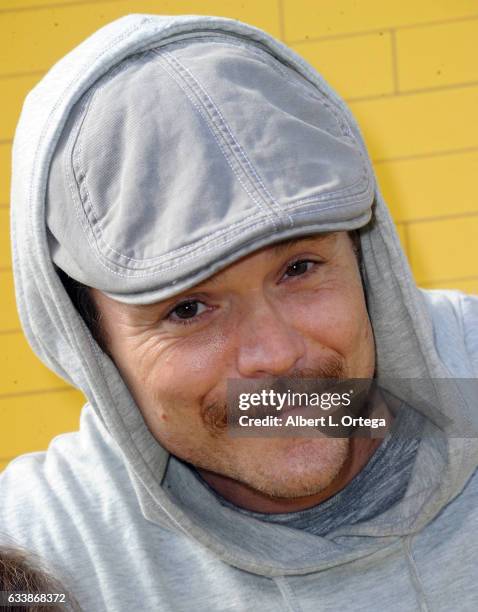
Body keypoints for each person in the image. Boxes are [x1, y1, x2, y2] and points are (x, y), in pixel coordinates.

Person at [2, 12, 478, 612]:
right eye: (189, 308)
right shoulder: (41, 562)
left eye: (299, 268)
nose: (276, 355)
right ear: (92, 346)